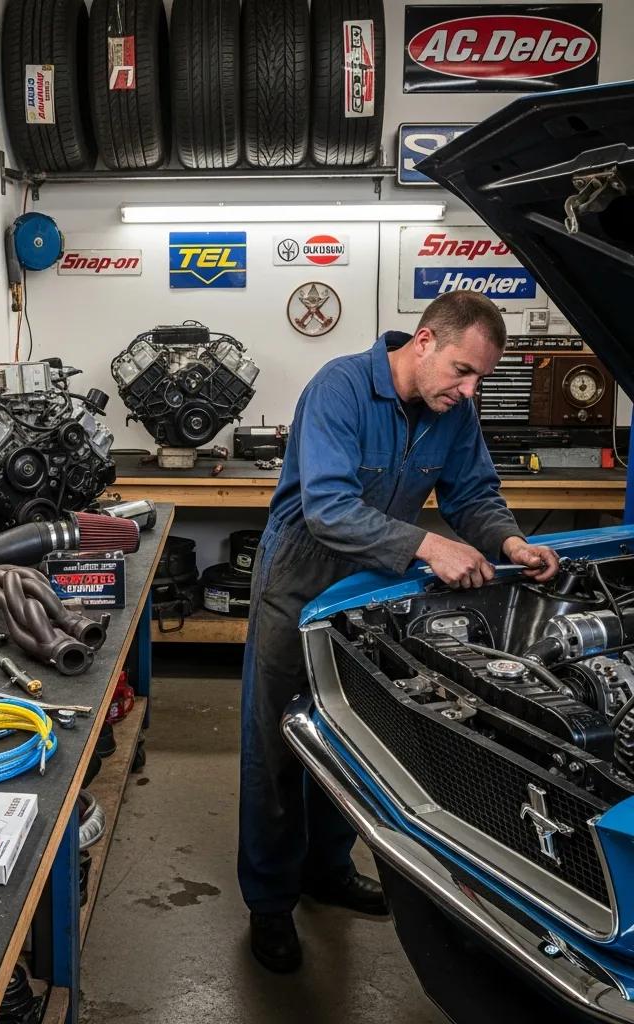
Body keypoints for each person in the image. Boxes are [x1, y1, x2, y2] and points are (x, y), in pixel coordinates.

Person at [239, 290, 560, 973]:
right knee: (277, 747)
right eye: (463, 371)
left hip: (369, 591)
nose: (470, 390)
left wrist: (510, 543)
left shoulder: (453, 412)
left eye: (481, 380)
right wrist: (428, 546)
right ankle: (269, 903)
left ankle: (328, 870)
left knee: (349, 739)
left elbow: (472, 495)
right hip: (297, 580)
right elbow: (327, 507)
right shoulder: (341, 388)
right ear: (423, 341)